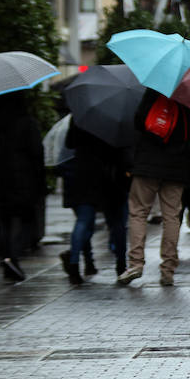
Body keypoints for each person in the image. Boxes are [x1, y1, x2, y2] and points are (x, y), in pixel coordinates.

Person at [118, 89, 190, 287]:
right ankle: (168, 270)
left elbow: (139, 121)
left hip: (147, 162)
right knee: (171, 216)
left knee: (138, 212)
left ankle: (135, 264)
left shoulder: (154, 90)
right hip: (177, 166)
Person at [0, 92, 47, 281]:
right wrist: (41, 182)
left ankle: (6, 257)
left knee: (3, 222)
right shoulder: (27, 122)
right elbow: (37, 153)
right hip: (22, 179)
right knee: (25, 221)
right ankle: (14, 256)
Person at [59, 119, 131, 284]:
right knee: (117, 223)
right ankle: (121, 266)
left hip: (84, 174)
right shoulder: (118, 116)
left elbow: (70, 143)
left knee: (83, 221)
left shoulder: (80, 114)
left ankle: (74, 264)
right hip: (110, 176)